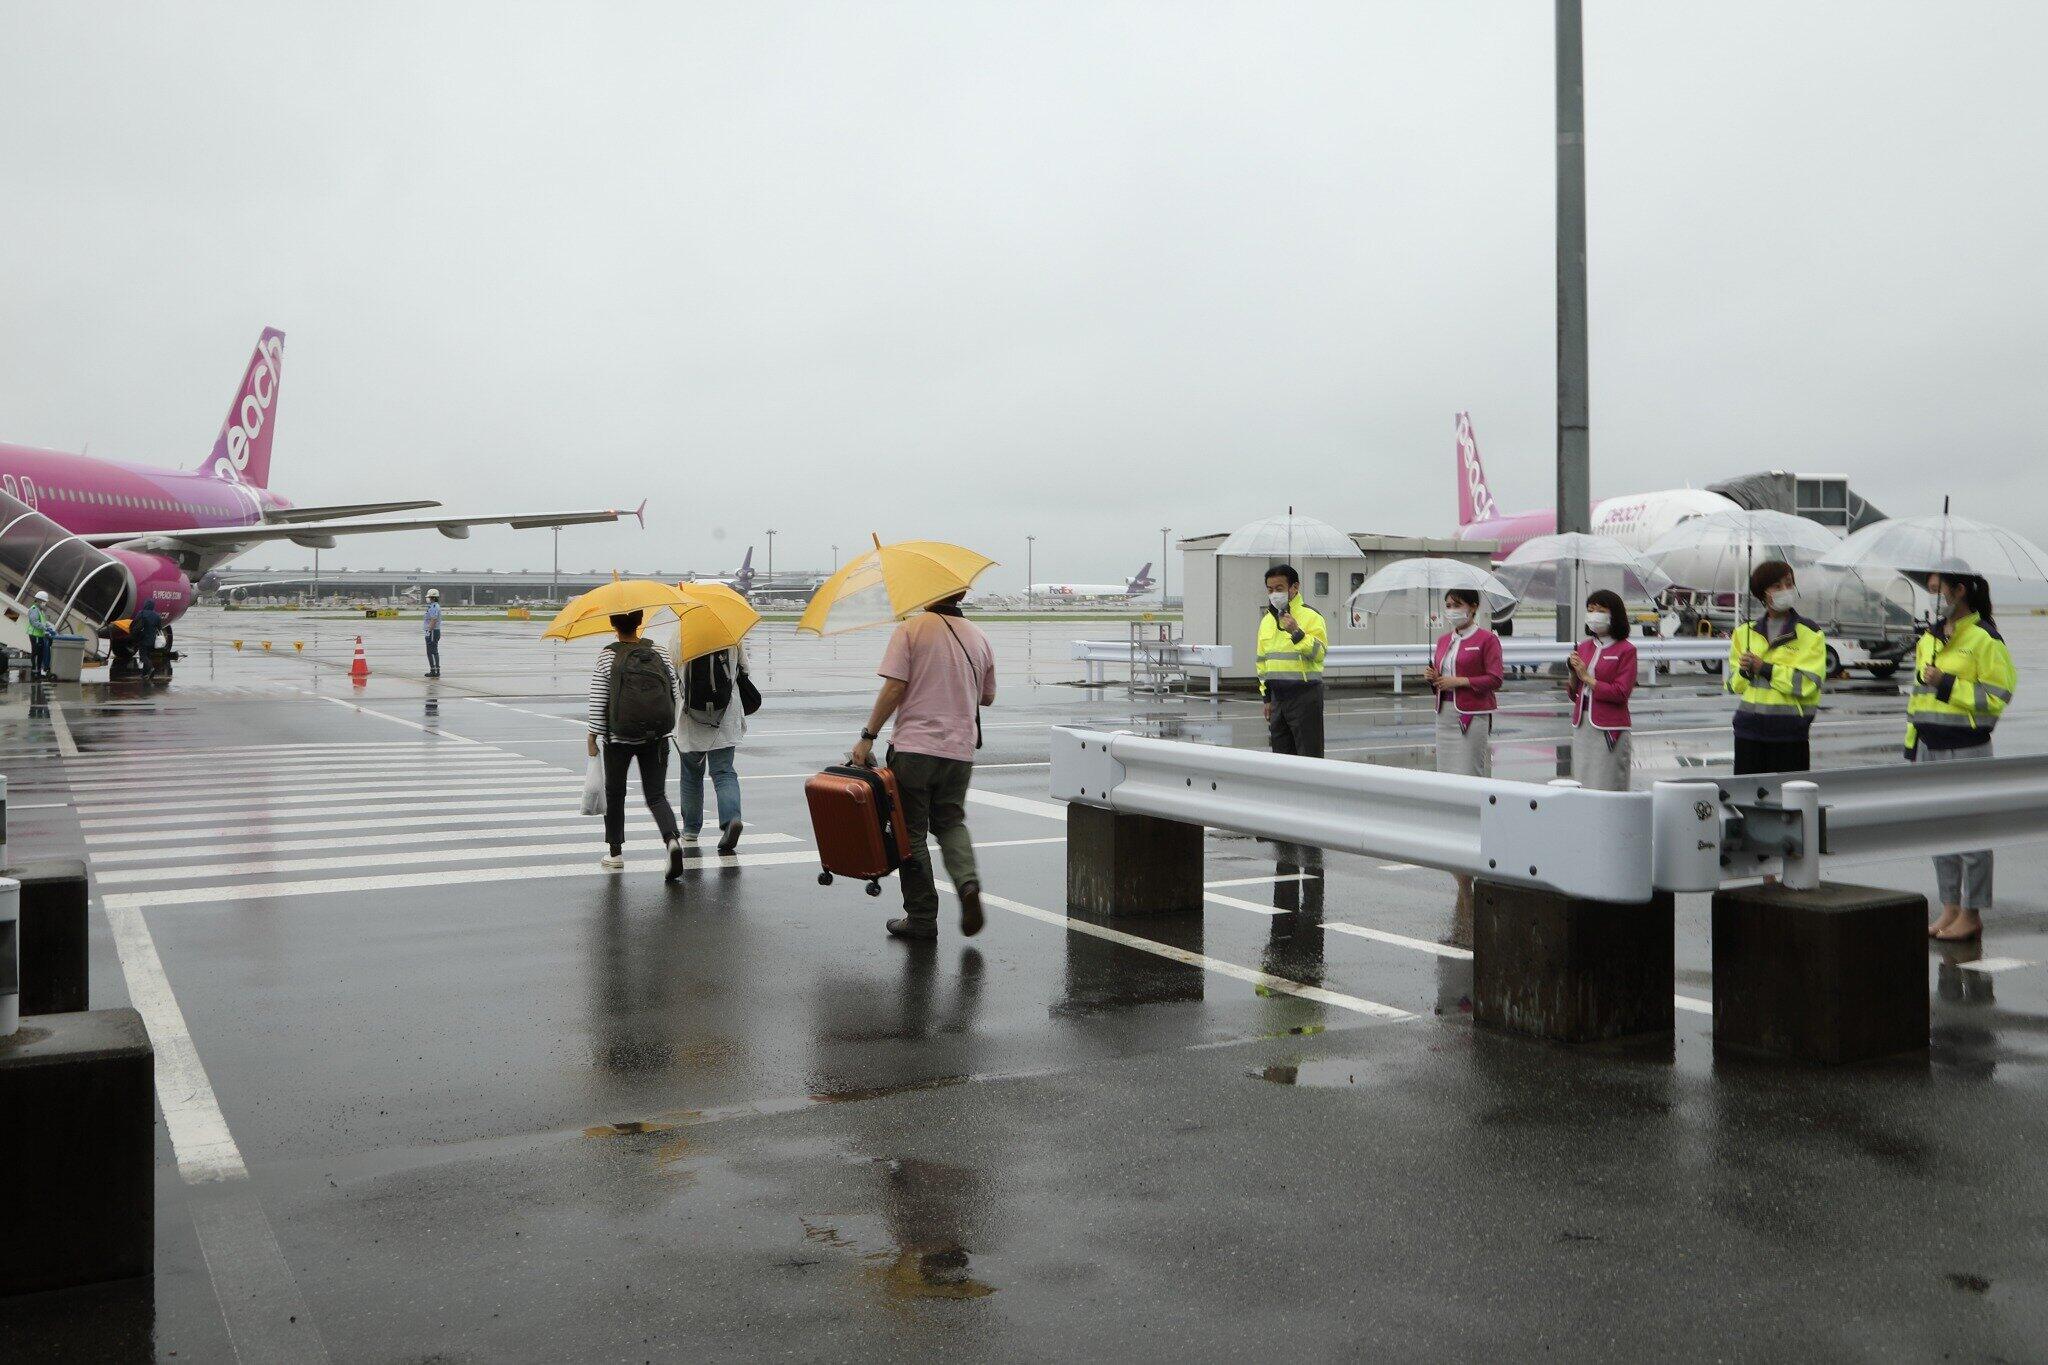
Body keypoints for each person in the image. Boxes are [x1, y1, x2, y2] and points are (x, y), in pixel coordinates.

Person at [848, 592, 997, 941]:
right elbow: (987, 696)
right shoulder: (978, 636)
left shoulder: (911, 630)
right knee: (950, 823)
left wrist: (868, 735)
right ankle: (967, 884)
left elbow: (895, 687)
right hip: (959, 751)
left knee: (910, 832)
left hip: (915, 748)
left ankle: (921, 916)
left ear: (929, 593)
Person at [1909, 570, 2016, 943]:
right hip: (1930, 745)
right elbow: (1917, 697)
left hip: (1967, 744)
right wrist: (1912, 743)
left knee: (1970, 834)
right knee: (1940, 832)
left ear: (1959, 591)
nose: (1933, 597)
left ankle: (1971, 913)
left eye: (1938, 590)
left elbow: (1998, 696)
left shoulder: (1985, 637)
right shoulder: (1930, 637)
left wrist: (1948, 682)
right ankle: (1950, 908)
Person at [585, 609, 685, 881]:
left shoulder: (608, 655)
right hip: (657, 736)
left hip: (619, 738)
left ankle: (615, 854)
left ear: (612, 622)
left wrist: (593, 736)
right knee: (656, 795)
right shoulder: (659, 652)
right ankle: (672, 840)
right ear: (640, 621)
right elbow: (675, 692)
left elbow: (598, 699)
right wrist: (668, 729)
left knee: (615, 794)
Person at [1427, 587, 1502, 924]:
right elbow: (1439, 676)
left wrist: (1456, 680)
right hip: (1445, 715)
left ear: (1473, 607)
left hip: (1472, 715)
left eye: (1457, 605)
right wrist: (1434, 679)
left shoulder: (1487, 639)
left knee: (1472, 777)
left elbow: (1494, 679)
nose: (1451, 610)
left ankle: (1481, 837)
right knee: (1448, 780)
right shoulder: (1444, 641)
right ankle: (1457, 840)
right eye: (1447, 606)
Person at [1726, 560, 1826, 774]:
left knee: (1790, 802)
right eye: (1776, 586)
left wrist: (1764, 668)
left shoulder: (1810, 632)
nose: (1785, 590)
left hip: (1789, 734)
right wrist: (1744, 671)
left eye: (1789, 584)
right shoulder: (1744, 633)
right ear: (1763, 594)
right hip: (1748, 733)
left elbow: (1808, 683)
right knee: (1747, 801)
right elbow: (1733, 685)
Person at [678, 639, 748, 853]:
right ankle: (731, 819)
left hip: (692, 717)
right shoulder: (731, 636)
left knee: (691, 774)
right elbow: (743, 669)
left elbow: (674, 670)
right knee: (724, 772)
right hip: (724, 716)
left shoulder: (682, 635)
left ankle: (691, 829)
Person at [1565, 588, 1637, 790]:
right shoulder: (1584, 647)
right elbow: (1574, 693)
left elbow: (1621, 693)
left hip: (1609, 726)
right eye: (1590, 609)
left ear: (1614, 614)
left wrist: (1587, 677)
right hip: (1582, 724)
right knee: (1583, 779)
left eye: (1599, 610)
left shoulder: (1626, 650)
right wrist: (1573, 673)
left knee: (1607, 781)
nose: (1593, 614)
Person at [1257, 564, 1328, 758]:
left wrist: (1296, 632)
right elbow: (1262, 663)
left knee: (1309, 755)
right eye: (1270, 590)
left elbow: (1319, 653)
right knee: (1281, 758)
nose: (1274, 594)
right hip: (1278, 698)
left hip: (1305, 695)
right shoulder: (1267, 621)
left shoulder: (1311, 616)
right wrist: (1267, 698)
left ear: (1294, 587)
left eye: (1279, 589)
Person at [132, 597, 163, 681]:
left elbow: (134, 623)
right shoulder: (156, 615)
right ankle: (144, 674)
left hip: (143, 638)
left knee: (143, 656)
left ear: (145, 605)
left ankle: (151, 668)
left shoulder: (141, 613)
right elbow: (159, 628)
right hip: (152, 639)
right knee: (148, 655)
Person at [25, 590, 53, 679]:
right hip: (35, 635)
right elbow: (34, 622)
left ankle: (38, 671)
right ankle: (35, 672)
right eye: (44, 601)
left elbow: (43, 621)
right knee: (37, 653)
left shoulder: (39, 610)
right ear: (39, 600)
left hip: (39, 635)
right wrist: (44, 627)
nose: (44, 603)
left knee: (40, 653)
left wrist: (48, 626)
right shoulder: (34, 609)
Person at [423, 588, 443, 678]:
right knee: (432, 651)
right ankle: (434, 669)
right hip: (434, 631)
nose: (428, 598)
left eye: (429, 597)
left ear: (433, 598)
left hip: (433, 631)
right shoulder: (433, 606)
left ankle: (434, 670)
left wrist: (429, 631)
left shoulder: (434, 607)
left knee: (432, 651)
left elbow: (433, 619)